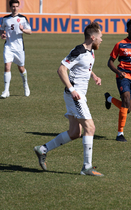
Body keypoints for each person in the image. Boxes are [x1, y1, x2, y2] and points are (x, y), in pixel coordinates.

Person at [34, 22, 104, 176]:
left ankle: (43, 149)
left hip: (76, 94)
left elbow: (84, 66)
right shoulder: (78, 50)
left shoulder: (91, 51)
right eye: (100, 37)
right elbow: (61, 70)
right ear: (93, 37)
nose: (101, 40)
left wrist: (93, 75)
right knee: (90, 128)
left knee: (74, 132)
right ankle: (87, 167)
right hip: (75, 95)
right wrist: (72, 90)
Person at [0, 0, 32, 99]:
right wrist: (2, 35)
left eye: (16, 6)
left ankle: (26, 85)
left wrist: (23, 30)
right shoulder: (5, 19)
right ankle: (6, 90)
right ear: (10, 7)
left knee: (21, 68)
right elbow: (1, 30)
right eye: (13, 6)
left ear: (19, 7)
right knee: (7, 66)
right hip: (8, 46)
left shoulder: (22, 18)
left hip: (19, 48)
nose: (15, 8)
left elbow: (30, 31)